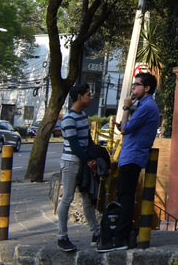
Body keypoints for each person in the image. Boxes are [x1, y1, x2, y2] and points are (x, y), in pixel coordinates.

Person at [99, 72, 160, 252]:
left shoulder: (147, 106)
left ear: (146, 88)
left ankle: (120, 238)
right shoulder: (144, 105)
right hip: (130, 155)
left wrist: (126, 108)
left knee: (126, 197)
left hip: (133, 156)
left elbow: (125, 130)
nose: (133, 88)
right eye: (133, 85)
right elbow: (128, 128)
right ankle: (121, 236)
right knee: (124, 195)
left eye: (137, 85)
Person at [56, 83, 101, 252]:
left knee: (88, 198)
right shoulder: (68, 119)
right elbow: (74, 145)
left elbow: (87, 139)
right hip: (71, 162)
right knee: (67, 198)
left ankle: (95, 232)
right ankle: (62, 236)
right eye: (88, 94)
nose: (91, 97)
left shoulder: (82, 115)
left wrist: (92, 158)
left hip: (83, 162)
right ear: (79, 97)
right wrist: (88, 161)